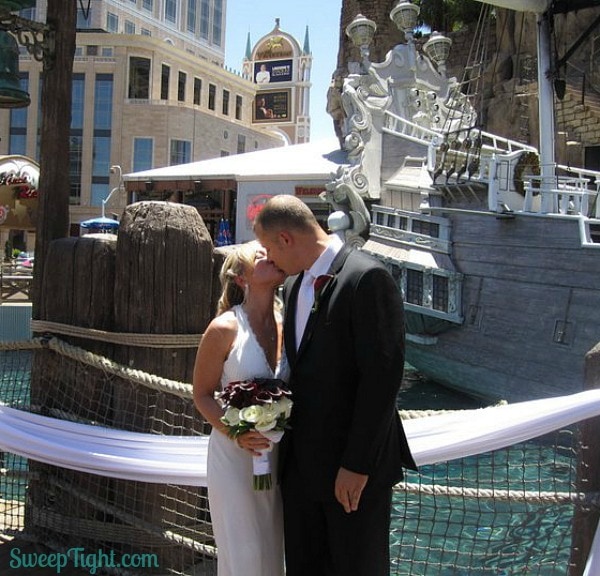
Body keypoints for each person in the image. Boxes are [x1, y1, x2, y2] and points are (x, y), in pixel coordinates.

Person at [254, 195, 417, 576]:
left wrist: (356, 465)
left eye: (268, 249)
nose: (269, 259)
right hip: (301, 472)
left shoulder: (367, 278)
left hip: (351, 473)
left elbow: (382, 379)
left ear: (286, 239)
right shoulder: (294, 286)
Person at [193, 241, 288, 576]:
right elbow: (202, 395)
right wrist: (238, 432)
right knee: (243, 550)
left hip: (276, 455)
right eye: (261, 257)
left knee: (272, 546)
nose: (272, 256)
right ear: (241, 278)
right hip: (233, 456)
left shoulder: (288, 322)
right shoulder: (223, 328)